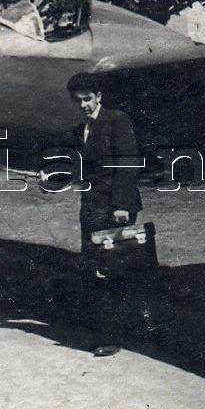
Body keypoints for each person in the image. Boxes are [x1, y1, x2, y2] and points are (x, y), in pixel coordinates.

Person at [65, 72, 143, 274]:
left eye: (87, 99)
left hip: (113, 206)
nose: (83, 105)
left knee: (117, 263)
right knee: (93, 262)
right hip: (91, 206)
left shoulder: (116, 120)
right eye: (77, 100)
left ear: (98, 96)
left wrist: (121, 206)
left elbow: (127, 164)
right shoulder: (81, 128)